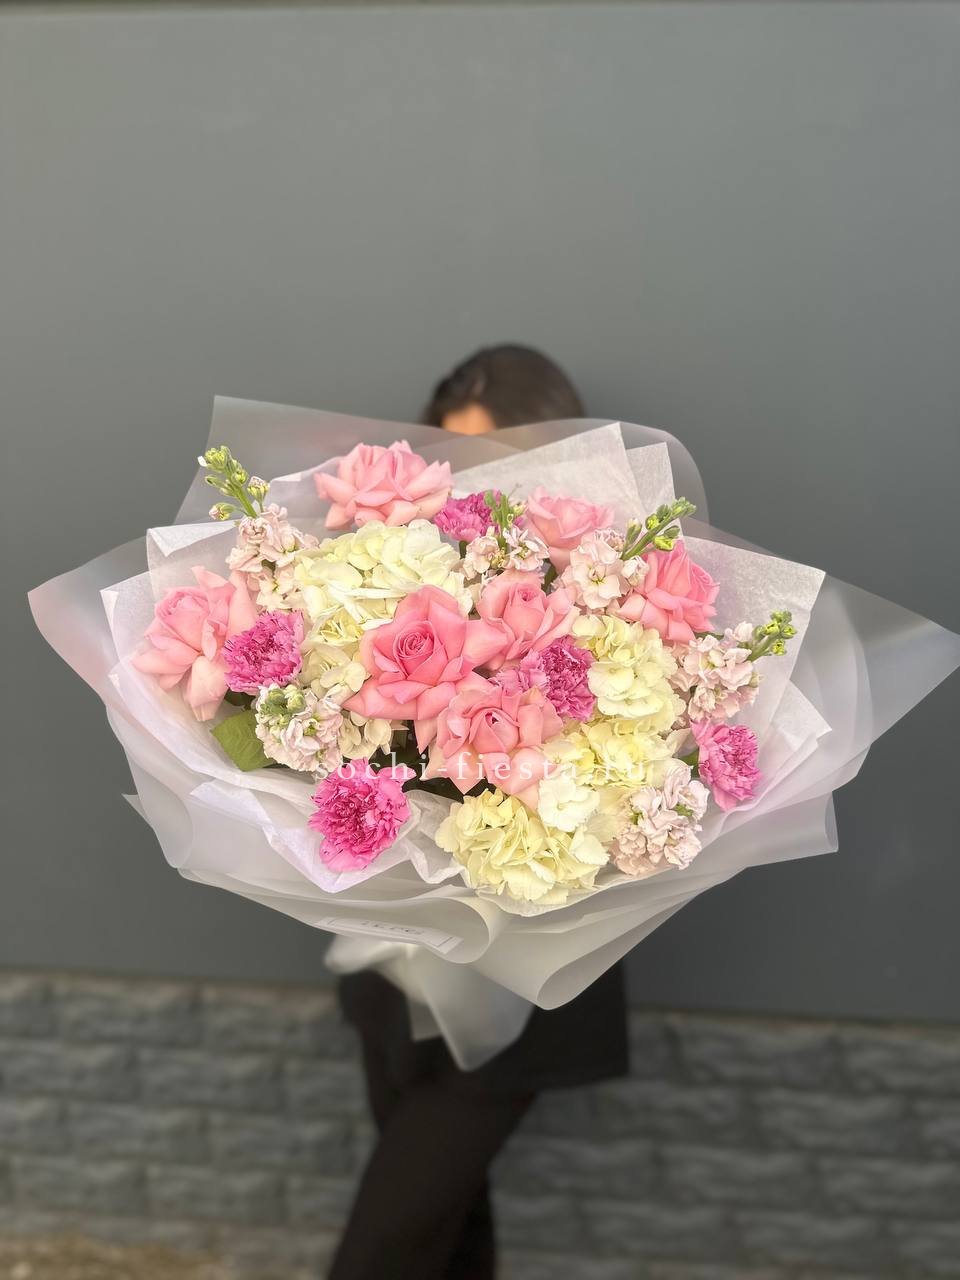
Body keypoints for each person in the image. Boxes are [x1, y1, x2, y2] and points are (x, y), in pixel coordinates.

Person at [328, 346, 628, 1280]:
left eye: (504, 456)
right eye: (459, 458)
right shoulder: (401, 579)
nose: (485, 485)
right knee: (445, 1238)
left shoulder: (608, 595)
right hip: (395, 965)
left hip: (528, 977)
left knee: (384, 1249)